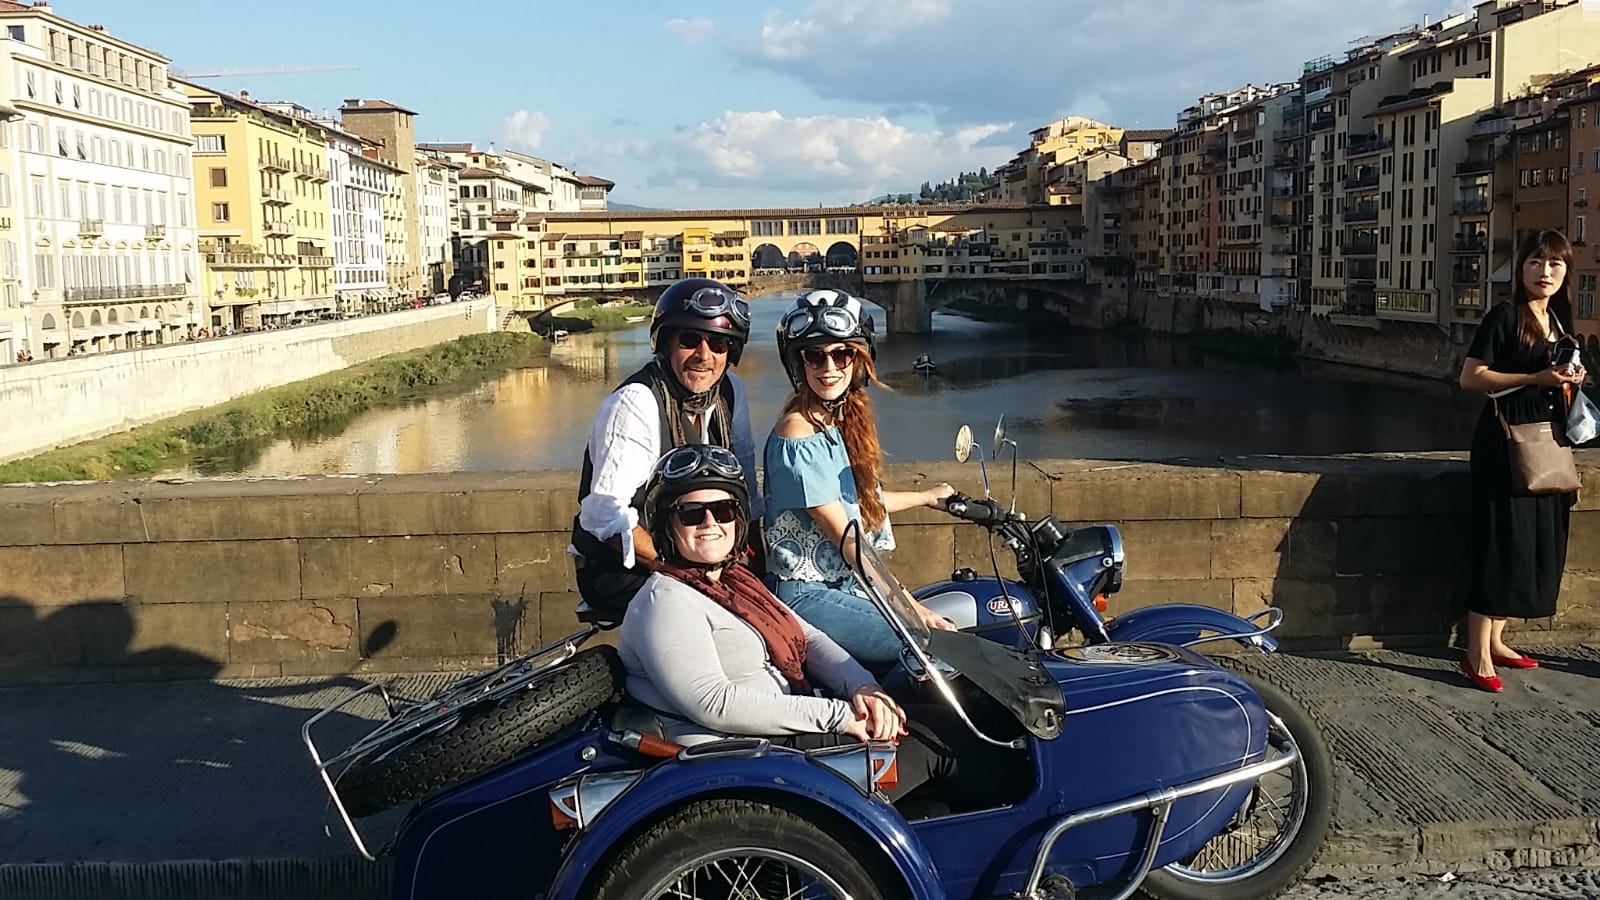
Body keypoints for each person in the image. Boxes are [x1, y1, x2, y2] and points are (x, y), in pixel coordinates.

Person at [617, 445, 1026, 811]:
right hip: (751, 760)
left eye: (723, 510)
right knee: (944, 742)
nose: (710, 522)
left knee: (939, 708)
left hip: (787, 731)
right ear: (668, 525)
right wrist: (839, 716)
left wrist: (863, 687)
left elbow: (808, 637)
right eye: (692, 513)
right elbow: (716, 704)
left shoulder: (733, 582)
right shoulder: (666, 600)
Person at [763, 289, 957, 667]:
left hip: (842, 587)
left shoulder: (834, 422)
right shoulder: (797, 434)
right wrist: (911, 608)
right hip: (808, 593)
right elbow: (849, 541)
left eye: (841, 354)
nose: (828, 367)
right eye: (815, 356)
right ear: (799, 362)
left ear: (857, 359)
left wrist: (926, 497)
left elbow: (857, 502)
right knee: (928, 650)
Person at [570, 277, 762, 617]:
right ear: (666, 344)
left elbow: (744, 483)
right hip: (627, 573)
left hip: (703, 556)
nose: (704, 355)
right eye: (689, 340)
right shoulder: (636, 403)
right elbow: (603, 513)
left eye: (718, 344)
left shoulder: (731, 392)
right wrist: (682, 573)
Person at [1457, 229, 1588, 692]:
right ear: (1522, 269)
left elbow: (1555, 387)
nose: (1545, 272)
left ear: (1565, 272)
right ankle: (1475, 652)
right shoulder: (1504, 316)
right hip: (1505, 442)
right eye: (1536, 263)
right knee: (1501, 541)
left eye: (1554, 264)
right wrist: (1535, 375)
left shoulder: (1559, 324)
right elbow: (1471, 377)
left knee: (1532, 542)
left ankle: (1496, 640)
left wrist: (1569, 379)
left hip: (1547, 445)